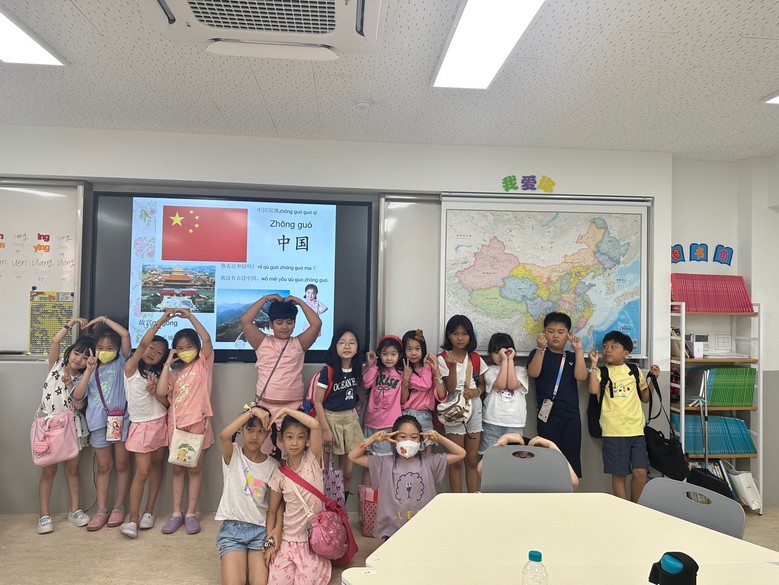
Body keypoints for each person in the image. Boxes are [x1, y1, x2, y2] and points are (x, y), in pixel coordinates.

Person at [348, 414, 465, 540]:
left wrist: (439, 438)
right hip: (392, 530)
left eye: (414, 437)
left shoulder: (429, 462)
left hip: (422, 527)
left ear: (420, 440)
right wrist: (372, 439)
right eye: (402, 436)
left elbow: (461, 453)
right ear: (394, 438)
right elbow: (353, 456)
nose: (408, 441)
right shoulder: (384, 463)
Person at [155, 308, 214, 535]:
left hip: (198, 424)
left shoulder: (203, 364)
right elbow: (162, 392)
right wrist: (166, 365)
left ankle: (190, 514)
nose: (185, 351)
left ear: (197, 348)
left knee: (195, 470)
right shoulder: (174, 372)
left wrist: (189, 316)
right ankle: (176, 513)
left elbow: (206, 339)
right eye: (180, 348)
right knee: (178, 470)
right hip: (177, 426)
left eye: (189, 346)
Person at [240, 294, 322, 456]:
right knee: (264, 458)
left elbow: (316, 324)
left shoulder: (299, 344)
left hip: (293, 411)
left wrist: (300, 302)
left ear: (295, 324)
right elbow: (245, 320)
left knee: (292, 457)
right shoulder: (262, 342)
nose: (284, 327)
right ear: (271, 324)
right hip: (264, 410)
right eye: (279, 322)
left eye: (289, 322)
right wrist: (265, 299)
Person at [72, 315, 132, 531]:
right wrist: (88, 370)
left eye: (110, 347)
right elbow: (77, 397)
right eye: (100, 347)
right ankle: (102, 509)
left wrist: (104, 320)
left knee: (123, 465)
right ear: (94, 349)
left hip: (120, 421)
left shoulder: (122, 362)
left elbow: (125, 334)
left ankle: (119, 506)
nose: (105, 351)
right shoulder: (88, 370)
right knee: (104, 466)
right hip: (97, 423)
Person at [35, 318, 93, 534]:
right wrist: (71, 323)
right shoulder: (56, 365)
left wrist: (73, 382)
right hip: (49, 426)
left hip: (72, 427)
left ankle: (75, 510)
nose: (79, 359)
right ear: (70, 353)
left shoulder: (85, 378)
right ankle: (43, 515)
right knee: (48, 471)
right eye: (77, 353)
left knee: (73, 470)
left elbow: (79, 404)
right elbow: (54, 341)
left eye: (85, 357)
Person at [588, 331, 660, 502]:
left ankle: (635, 507)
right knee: (619, 475)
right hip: (614, 431)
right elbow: (593, 389)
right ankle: (625, 510)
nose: (607, 350)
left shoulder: (634, 370)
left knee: (641, 472)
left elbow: (645, 398)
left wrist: (654, 380)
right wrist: (594, 365)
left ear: (626, 353)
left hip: (636, 430)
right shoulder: (602, 371)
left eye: (613, 347)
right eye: (605, 346)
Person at [120, 311, 172, 539]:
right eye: (152, 348)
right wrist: (161, 322)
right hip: (140, 426)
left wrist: (155, 392)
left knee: (158, 465)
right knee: (142, 472)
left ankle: (149, 511)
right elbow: (141, 345)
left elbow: (166, 403)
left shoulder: (159, 374)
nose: (154, 353)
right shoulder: (131, 369)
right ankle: (133, 518)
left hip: (160, 422)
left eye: (160, 353)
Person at [216, 404, 280, 585]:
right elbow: (224, 435)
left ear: (267, 434)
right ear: (241, 430)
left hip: (259, 531)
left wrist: (272, 535)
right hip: (232, 531)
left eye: (261, 431)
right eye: (250, 429)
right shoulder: (233, 454)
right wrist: (251, 412)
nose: (254, 436)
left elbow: (275, 507)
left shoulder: (272, 466)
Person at [266, 408, 330, 585]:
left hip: (313, 539)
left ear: (307, 439)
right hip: (287, 538)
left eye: (300, 437)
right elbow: (272, 511)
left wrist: (286, 410)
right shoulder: (279, 475)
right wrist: (269, 543)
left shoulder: (313, 459)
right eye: (289, 437)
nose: (294, 443)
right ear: (281, 439)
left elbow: (315, 425)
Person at [526, 312, 587, 479]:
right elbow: (533, 372)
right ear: (544, 333)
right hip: (547, 416)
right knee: (547, 458)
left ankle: (569, 491)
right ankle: (548, 490)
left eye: (561, 332)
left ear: (568, 335)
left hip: (571, 416)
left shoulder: (572, 356)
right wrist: (540, 349)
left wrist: (578, 350)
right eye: (551, 331)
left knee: (570, 460)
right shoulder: (538, 353)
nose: (555, 336)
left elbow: (581, 376)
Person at [436, 315, 487, 493]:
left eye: (464, 334)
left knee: (472, 459)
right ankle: (456, 502)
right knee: (456, 460)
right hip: (453, 406)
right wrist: (452, 366)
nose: (460, 338)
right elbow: (449, 388)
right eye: (455, 333)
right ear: (448, 336)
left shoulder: (475, 358)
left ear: (470, 336)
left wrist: (477, 391)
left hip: (474, 406)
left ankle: (473, 500)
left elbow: (483, 384)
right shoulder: (442, 358)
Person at [313, 326, 364, 502]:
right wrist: (326, 429)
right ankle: (324, 510)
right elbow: (317, 402)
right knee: (324, 471)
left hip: (349, 419)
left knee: (347, 472)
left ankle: (340, 508)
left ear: (357, 348)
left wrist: (371, 365)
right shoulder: (328, 371)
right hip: (329, 419)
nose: (347, 346)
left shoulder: (357, 369)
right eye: (342, 342)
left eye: (351, 343)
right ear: (334, 346)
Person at [361, 334, 404, 487]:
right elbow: (366, 383)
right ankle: (366, 499)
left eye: (393, 354)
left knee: (386, 465)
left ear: (399, 355)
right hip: (371, 423)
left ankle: (384, 498)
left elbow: (422, 385)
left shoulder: (401, 373)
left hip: (389, 425)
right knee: (368, 465)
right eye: (385, 354)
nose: (389, 358)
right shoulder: (376, 370)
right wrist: (371, 365)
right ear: (379, 354)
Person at [480, 333, 529, 455]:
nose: (501, 355)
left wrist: (509, 360)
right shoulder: (489, 370)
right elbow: (500, 385)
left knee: (514, 457)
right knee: (490, 456)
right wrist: (505, 361)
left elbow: (512, 385)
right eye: (497, 352)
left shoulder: (521, 370)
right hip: (492, 421)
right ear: (490, 354)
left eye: (506, 352)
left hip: (514, 422)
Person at [399, 329, 446, 448]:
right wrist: (406, 379)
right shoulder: (406, 370)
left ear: (423, 349)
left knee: (427, 450)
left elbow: (441, 395)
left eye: (417, 348)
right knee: (408, 451)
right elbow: (424, 385)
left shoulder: (428, 369)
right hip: (408, 414)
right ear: (404, 351)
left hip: (425, 415)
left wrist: (436, 371)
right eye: (409, 349)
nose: (413, 353)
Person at [485, 434, 580, 490]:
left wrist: (552, 447)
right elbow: (481, 470)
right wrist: (503, 440)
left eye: (528, 457)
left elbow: (573, 482)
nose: (524, 461)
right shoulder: (503, 476)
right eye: (519, 456)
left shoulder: (545, 477)